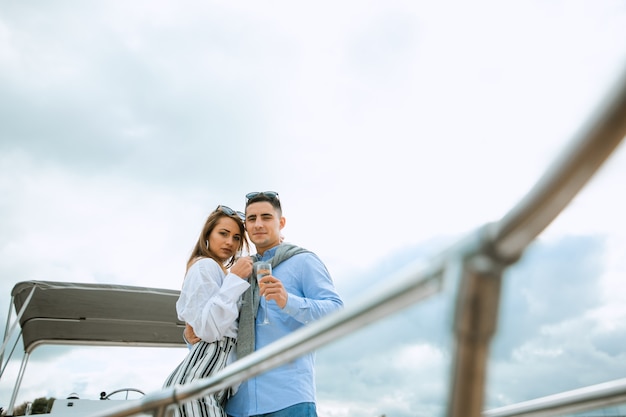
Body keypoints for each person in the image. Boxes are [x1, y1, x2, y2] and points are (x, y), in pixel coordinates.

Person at [188, 191, 344, 417]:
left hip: (288, 399)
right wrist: (192, 333)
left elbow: (335, 312)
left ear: (281, 222)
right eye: (251, 219)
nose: (258, 224)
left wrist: (288, 301)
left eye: (266, 217)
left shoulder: (303, 261)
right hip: (237, 404)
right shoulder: (240, 272)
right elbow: (221, 325)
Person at [164, 205, 254, 417]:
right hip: (196, 388)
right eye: (223, 233)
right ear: (208, 235)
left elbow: (200, 327)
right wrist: (235, 279)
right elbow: (210, 331)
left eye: (236, 237)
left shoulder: (217, 271)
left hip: (204, 382)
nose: (229, 242)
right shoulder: (205, 266)